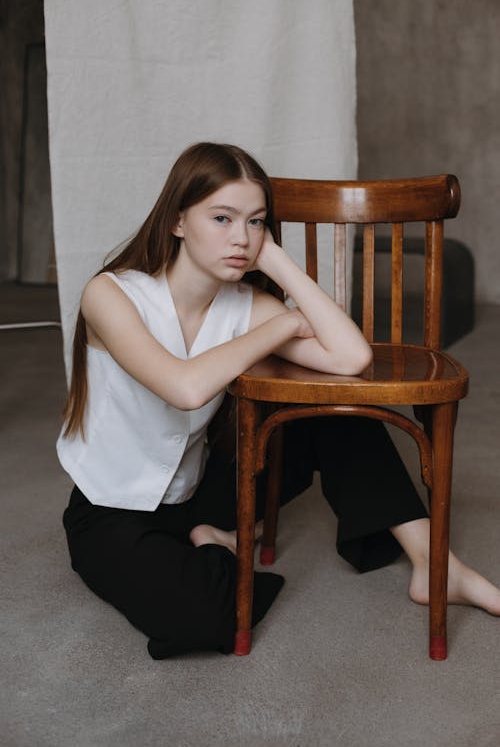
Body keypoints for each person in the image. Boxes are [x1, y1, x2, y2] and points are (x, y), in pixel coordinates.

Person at [57, 142, 500, 659]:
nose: (239, 239)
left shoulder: (244, 304)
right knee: (200, 622)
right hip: (114, 511)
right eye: (221, 218)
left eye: (255, 222)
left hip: (197, 490)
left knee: (340, 410)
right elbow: (185, 387)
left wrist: (277, 261)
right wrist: (286, 322)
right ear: (178, 221)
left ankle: (435, 565)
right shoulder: (111, 294)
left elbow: (351, 357)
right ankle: (215, 543)